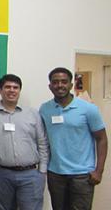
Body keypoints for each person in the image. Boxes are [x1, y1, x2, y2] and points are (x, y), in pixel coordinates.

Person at [40, 67, 108, 210]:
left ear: (71, 85)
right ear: (50, 86)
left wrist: (99, 171)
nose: (60, 85)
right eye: (55, 82)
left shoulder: (88, 109)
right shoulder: (45, 109)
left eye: (64, 82)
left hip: (82, 175)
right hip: (56, 174)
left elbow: (101, 139)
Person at [0, 74, 48, 210]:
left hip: (30, 175)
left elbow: (42, 142)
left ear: (19, 91)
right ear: (0, 90)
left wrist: (42, 170)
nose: (11, 90)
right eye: (7, 87)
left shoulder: (32, 114)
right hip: (0, 175)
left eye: (15, 87)